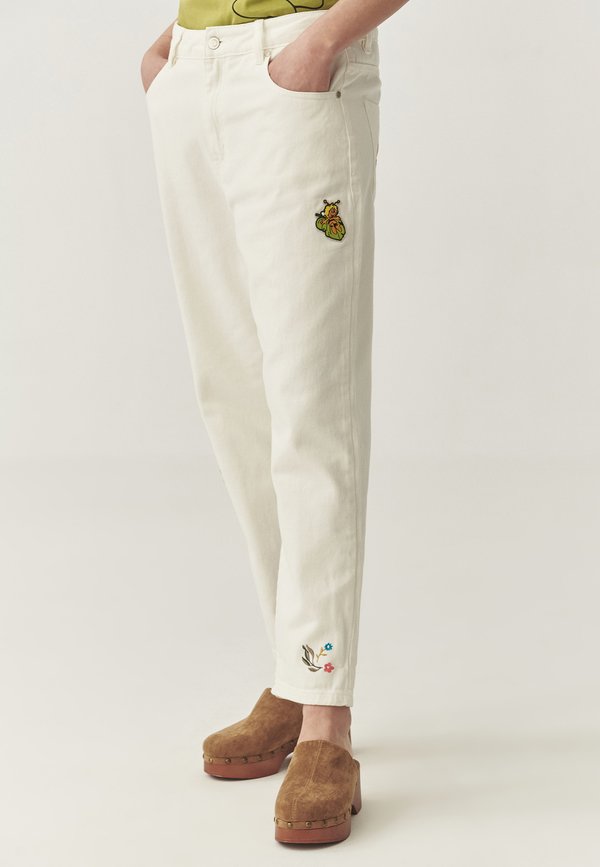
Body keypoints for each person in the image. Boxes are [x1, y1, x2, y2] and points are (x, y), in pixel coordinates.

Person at [141, 0, 409, 845]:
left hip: (298, 65)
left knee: (312, 402)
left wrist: (326, 39)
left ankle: (326, 716)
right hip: (194, 73)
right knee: (235, 396)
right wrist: (173, 49)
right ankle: (296, 673)